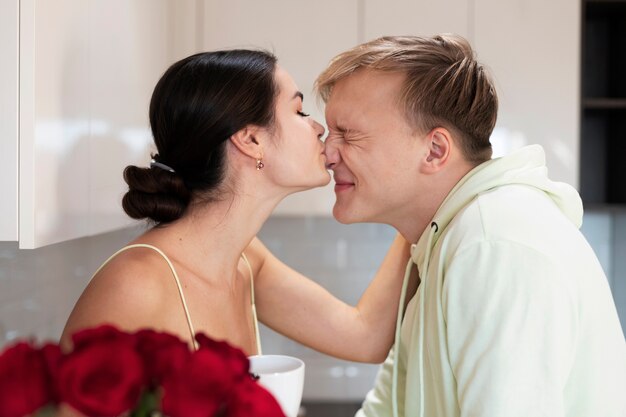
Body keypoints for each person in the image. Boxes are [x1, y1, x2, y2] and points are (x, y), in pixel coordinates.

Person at [315, 34, 626, 417]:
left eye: (348, 134)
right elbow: (388, 408)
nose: (327, 153)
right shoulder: (444, 240)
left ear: (434, 151)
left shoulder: (495, 244)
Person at [61, 49, 411, 362]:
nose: (318, 128)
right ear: (251, 139)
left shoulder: (245, 261)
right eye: (299, 111)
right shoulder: (136, 285)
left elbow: (364, 337)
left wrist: (415, 206)